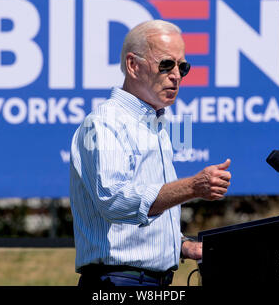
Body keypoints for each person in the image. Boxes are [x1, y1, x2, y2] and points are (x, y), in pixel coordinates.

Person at [70, 19, 231, 287]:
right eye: (166, 64)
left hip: (151, 280)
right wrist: (193, 186)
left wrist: (181, 246)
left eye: (183, 67)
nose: (176, 75)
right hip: (118, 281)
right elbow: (114, 202)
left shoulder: (154, 124)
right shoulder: (104, 122)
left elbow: (134, 224)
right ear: (133, 65)